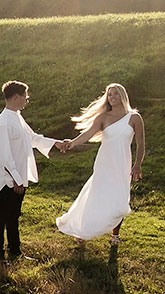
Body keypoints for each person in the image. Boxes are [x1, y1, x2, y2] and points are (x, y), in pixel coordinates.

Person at [56, 83, 146, 245]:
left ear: (123, 96)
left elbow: (141, 144)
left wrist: (138, 165)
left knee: (119, 200)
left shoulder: (134, 118)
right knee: (95, 196)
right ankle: (82, 230)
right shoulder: (103, 118)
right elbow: (87, 134)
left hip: (122, 164)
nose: (112, 97)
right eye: (109, 94)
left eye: (115, 94)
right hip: (104, 163)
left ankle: (115, 236)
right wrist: (71, 144)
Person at [0, 81, 59, 261]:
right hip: (8, 178)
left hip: (18, 175)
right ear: (15, 97)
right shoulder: (3, 122)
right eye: (25, 97)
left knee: (14, 215)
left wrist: (56, 143)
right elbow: (3, 155)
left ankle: (15, 251)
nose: (27, 100)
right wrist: (16, 179)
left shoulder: (17, 116)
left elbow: (33, 138)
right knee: (2, 215)